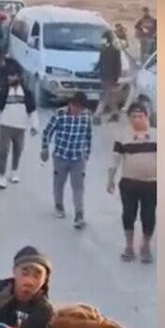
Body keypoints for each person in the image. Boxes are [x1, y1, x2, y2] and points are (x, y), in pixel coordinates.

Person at [108, 102, 157, 263]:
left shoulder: (157, 135)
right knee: (128, 214)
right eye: (134, 117)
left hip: (151, 183)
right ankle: (129, 246)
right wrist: (110, 179)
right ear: (129, 118)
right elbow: (115, 159)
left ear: (146, 116)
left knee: (148, 216)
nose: (137, 120)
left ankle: (146, 246)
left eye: (140, 116)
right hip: (129, 183)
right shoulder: (123, 136)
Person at [41, 93, 94, 228]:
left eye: (80, 108)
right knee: (59, 183)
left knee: (78, 186)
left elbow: (88, 135)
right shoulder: (60, 114)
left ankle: (79, 214)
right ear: (70, 104)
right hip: (61, 155)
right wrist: (45, 148)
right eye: (75, 107)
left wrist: (87, 152)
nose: (77, 111)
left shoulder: (86, 116)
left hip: (78, 158)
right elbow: (47, 132)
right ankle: (59, 205)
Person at [0, 57, 39, 188]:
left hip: (20, 127)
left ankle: (14, 171)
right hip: (6, 126)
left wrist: (34, 125)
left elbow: (32, 110)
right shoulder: (4, 92)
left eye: (12, 76)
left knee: (18, 150)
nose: (10, 78)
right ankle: (1, 175)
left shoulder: (26, 93)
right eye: (8, 76)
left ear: (18, 76)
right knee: (3, 151)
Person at [94, 31, 124, 123]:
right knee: (111, 97)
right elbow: (101, 62)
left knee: (105, 96)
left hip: (109, 77)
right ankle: (115, 114)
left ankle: (97, 115)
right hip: (107, 76)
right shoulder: (106, 50)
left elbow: (118, 65)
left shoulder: (112, 50)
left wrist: (117, 77)